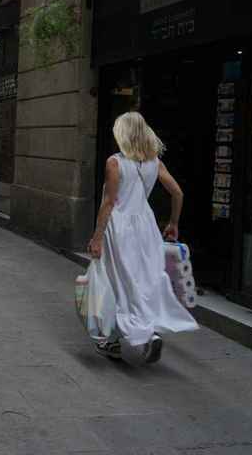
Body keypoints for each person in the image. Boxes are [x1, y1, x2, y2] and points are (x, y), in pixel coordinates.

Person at [87, 111, 198, 363]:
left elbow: (109, 203)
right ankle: (150, 332)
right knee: (142, 281)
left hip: (119, 227)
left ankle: (116, 339)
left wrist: (97, 237)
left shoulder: (114, 162)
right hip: (146, 226)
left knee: (116, 281)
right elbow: (178, 193)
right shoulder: (154, 163)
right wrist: (173, 223)